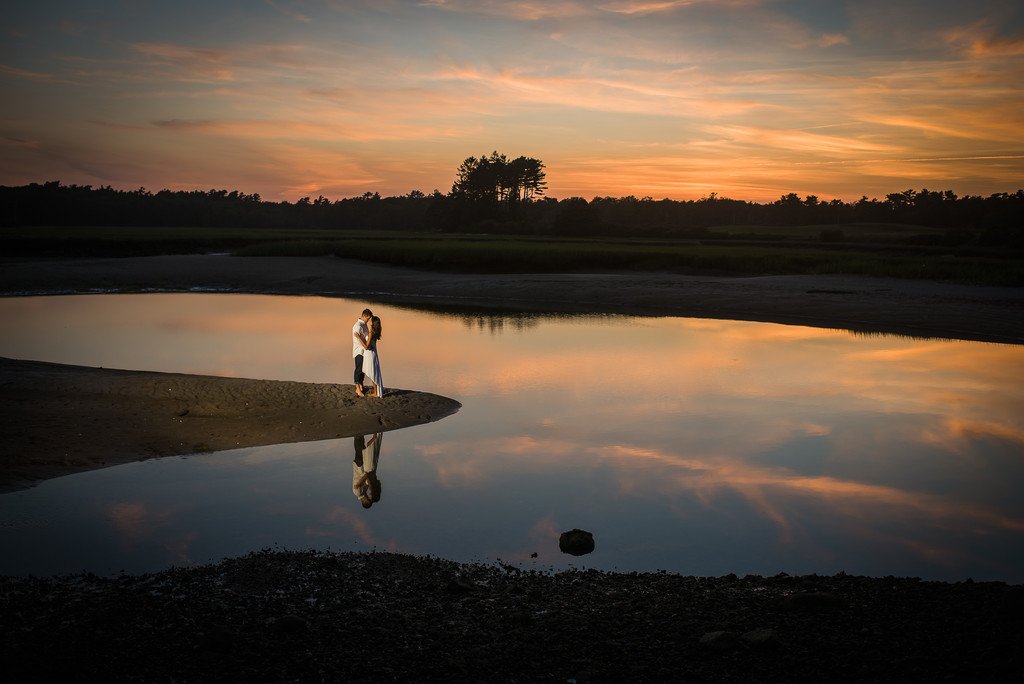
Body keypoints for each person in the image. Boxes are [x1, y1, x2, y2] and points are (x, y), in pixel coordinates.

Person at [352, 432, 383, 508]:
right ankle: (360, 434)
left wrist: (366, 476)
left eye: (368, 499)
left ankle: (358, 434)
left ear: (365, 502)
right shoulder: (364, 491)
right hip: (361, 467)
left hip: (359, 467)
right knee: (362, 448)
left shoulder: (358, 493)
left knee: (359, 448)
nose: (368, 497)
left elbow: (357, 485)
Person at [359, 315, 384, 398]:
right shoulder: (375, 332)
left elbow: (366, 346)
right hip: (373, 353)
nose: (369, 320)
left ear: (373, 323)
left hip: (370, 354)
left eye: (371, 320)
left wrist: (358, 338)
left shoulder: (370, 332)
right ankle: (376, 391)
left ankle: (376, 392)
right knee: (374, 372)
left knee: (373, 372)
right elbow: (370, 344)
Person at [352, 308, 372, 397]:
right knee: (358, 369)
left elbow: (366, 336)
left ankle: (361, 385)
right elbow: (357, 341)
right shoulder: (357, 326)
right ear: (364, 316)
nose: (368, 320)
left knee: (363, 370)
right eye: (368, 318)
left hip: (364, 350)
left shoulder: (364, 324)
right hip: (359, 351)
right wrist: (365, 346)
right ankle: (357, 388)